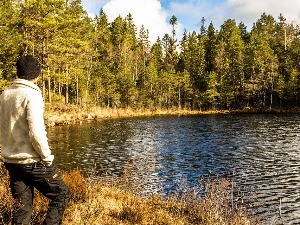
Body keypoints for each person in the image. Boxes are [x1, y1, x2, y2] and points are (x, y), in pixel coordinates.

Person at [0, 55, 69, 225]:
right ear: (35, 74)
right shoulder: (32, 95)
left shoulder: (4, 95)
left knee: (22, 208)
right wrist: (47, 159)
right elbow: (36, 133)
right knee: (61, 194)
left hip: (11, 162)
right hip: (31, 162)